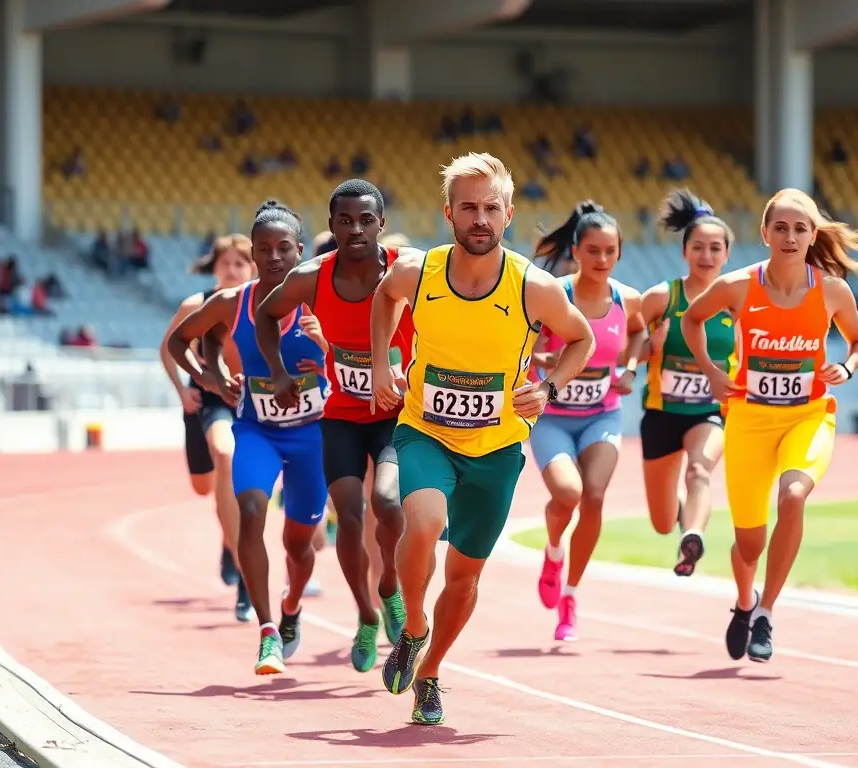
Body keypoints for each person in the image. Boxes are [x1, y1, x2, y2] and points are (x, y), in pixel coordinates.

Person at [370, 152, 595, 725]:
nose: (479, 218)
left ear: (509, 214)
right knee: (421, 521)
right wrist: (381, 364)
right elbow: (383, 297)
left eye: (490, 208)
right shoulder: (418, 271)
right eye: (468, 207)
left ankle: (431, 671)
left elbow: (581, 338)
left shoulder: (533, 287)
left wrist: (546, 387)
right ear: (448, 213)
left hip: (496, 449)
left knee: (465, 576)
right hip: (426, 430)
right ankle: (413, 626)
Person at [681, 188, 858, 663]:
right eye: (781, 228)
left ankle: (766, 611)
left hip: (808, 416)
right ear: (764, 233)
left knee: (793, 495)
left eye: (800, 228)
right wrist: (710, 370)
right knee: (749, 545)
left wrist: (846, 368)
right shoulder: (739, 285)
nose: (790, 236)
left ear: (812, 236)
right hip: (748, 421)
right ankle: (744, 601)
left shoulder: (831, 290)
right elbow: (692, 319)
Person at [254, 179, 415, 673]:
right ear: (331, 226)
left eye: (366, 219)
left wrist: (414, 372)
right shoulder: (313, 278)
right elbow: (265, 314)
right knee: (348, 515)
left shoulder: (409, 272)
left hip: (394, 417)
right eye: (345, 220)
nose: (356, 229)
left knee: (387, 504)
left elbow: (454, 308)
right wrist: (278, 371)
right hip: (342, 418)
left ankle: (389, 585)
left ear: (381, 225)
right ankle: (367, 615)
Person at [167, 200, 331, 676]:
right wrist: (212, 379)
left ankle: (292, 605)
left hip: (311, 437)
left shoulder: (321, 301)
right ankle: (267, 632)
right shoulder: (230, 303)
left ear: (300, 251)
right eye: (265, 249)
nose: (275, 257)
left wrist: (327, 348)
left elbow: (361, 352)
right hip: (256, 430)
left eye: (285, 248)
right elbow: (182, 341)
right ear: (254, 255)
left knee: (300, 546)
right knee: (252, 510)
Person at [530, 203, 645, 642]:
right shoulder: (553, 294)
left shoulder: (626, 298)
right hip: (553, 419)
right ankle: (554, 551)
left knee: (594, 496)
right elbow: (523, 342)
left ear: (618, 254)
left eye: (609, 251)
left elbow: (638, 332)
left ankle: (570, 597)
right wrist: (539, 358)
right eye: (592, 250)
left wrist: (630, 369)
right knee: (568, 494)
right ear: (575, 251)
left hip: (601, 414)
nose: (601, 260)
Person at [638, 191, 736, 578]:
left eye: (715, 248)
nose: (706, 256)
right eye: (698, 247)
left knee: (700, 472)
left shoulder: (736, 302)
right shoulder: (662, 298)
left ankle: (692, 534)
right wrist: (649, 346)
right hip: (661, 414)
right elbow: (627, 346)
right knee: (662, 521)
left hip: (709, 412)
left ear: (727, 254)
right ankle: (679, 523)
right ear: (684, 252)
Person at [159, 235, 255, 621]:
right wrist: (183, 391)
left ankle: (246, 575)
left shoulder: (260, 306)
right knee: (204, 485)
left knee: (227, 456)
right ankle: (227, 536)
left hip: (244, 403)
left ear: (252, 268)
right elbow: (168, 347)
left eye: (239, 264)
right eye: (225, 264)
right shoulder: (195, 306)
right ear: (214, 267)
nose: (231, 271)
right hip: (205, 399)